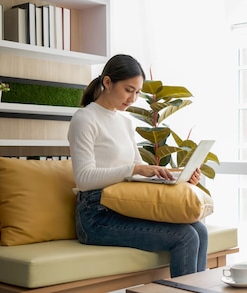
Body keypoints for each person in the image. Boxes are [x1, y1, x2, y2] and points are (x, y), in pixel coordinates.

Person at [67, 54, 208, 277]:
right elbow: (84, 178)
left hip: (126, 205)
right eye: (128, 90)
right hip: (95, 216)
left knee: (200, 229)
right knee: (185, 236)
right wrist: (134, 169)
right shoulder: (85, 119)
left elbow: (138, 168)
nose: (133, 98)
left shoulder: (124, 121)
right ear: (107, 83)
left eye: (137, 92)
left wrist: (175, 174)